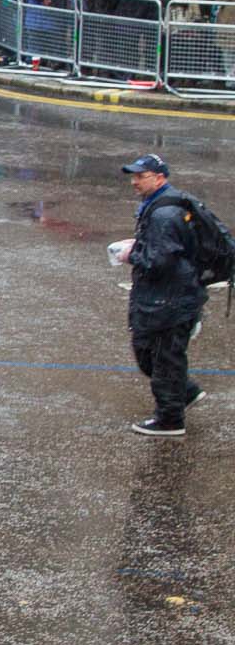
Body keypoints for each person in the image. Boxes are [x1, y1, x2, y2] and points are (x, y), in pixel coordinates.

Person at [116, 154, 209, 437]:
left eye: (141, 176)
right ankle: (185, 392)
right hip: (166, 297)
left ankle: (170, 419)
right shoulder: (159, 205)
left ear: (160, 178)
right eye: (133, 176)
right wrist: (140, 245)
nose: (134, 182)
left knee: (163, 358)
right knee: (148, 353)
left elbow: (159, 261)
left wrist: (131, 254)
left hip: (170, 300)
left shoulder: (164, 214)